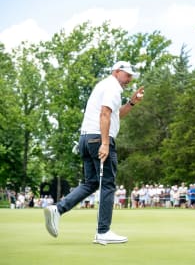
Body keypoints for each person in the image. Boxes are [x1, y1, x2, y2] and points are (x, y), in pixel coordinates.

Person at [43, 61, 144, 244]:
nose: (129, 79)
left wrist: (131, 103)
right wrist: (105, 143)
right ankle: (103, 231)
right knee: (108, 184)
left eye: (131, 76)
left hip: (86, 138)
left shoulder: (104, 86)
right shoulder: (112, 87)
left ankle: (58, 209)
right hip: (99, 138)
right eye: (127, 74)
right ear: (116, 71)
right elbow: (104, 114)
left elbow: (114, 115)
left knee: (91, 183)